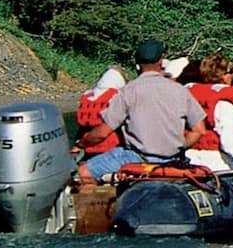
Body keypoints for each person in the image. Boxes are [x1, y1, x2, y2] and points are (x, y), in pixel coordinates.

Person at [78, 39, 208, 182]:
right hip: (173, 159)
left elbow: (102, 133)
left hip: (138, 158)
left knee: (84, 172)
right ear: (161, 62)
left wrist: (81, 144)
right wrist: (179, 146)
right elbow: (199, 130)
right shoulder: (180, 90)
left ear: (137, 65)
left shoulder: (128, 91)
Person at [182, 53, 233, 172]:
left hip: (187, 159)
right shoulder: (223, 103)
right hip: (216, 164)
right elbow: (231, 144)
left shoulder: (186, 96)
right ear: (224, 76)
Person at [73, 67, 128, 160]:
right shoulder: (118, 97)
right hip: (111, 150)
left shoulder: (87, 96)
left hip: (87, 148)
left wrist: (79, 144)